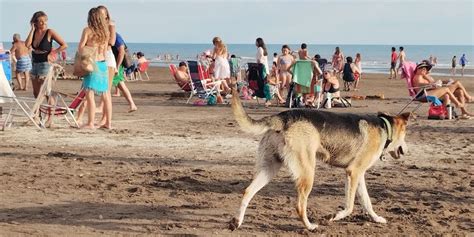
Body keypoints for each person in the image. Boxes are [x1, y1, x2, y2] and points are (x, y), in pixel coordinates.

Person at [77, 7, 111, 129]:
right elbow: (106, 48)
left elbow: (81, 47)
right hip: (103, 64)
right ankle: (108, 123)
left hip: (93, 64)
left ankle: (91, 122)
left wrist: (83, 56)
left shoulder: (87, 30)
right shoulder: (105, 32)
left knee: (89, 94)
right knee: (105, 95)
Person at [25, 11, 68, 98]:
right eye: (41, 21)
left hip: (45, 63)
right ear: (35, 23)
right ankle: (37, 111)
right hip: (35, 63)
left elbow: (64, 45)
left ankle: (50, 111)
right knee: (36, 93)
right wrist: (32, 30)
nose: (44, 23)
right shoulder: (34, 32)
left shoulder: (50, 32)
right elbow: (27, 44)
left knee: (46, 92)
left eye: (45, 20)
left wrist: (52, 53)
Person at [111, 32, 138, 112]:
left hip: (115, 65)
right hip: (112, 64)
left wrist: (117, 66)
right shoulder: (108, 35)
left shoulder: (116, 36)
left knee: (111, 85)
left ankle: (132, 104)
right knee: (121, 85)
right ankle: (132, 104)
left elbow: (122, 51)